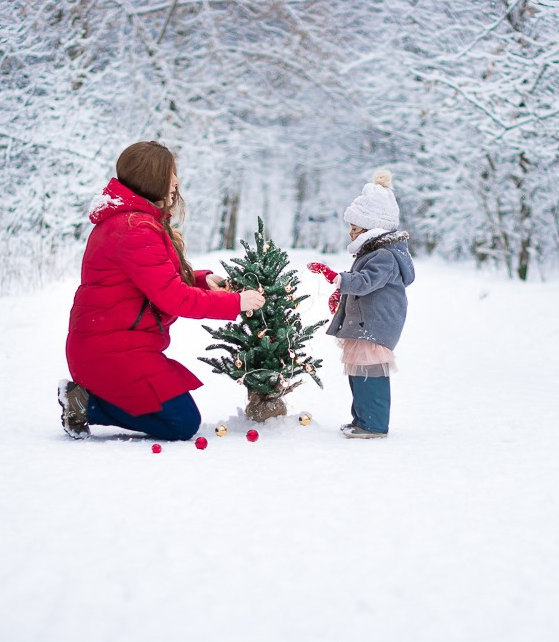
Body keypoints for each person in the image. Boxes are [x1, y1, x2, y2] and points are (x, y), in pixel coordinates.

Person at [59, 141, 265, 440]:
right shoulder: (134, 228)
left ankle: (90, 401)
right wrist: (235, 303)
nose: (176, 182)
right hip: (110, 350)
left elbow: (157, 279)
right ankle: (86, 405)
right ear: (152, 178)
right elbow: (173, 298)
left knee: (179, 418)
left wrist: (201, 279)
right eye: (171, 174)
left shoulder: (133, 222)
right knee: (181, 424)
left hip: (117, 343)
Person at [307, 169, 415, 438]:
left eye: (355, 229)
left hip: (376, 325)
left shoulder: (385, 256)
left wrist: (336, 278)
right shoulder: (376, 251)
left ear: (372, 229)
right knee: (358, 374)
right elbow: (361, 285)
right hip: (366, 322)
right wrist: (341, 297)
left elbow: (365, 282)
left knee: (370, 376)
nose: (351, 234)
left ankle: (374, 424)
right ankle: (361, 419)